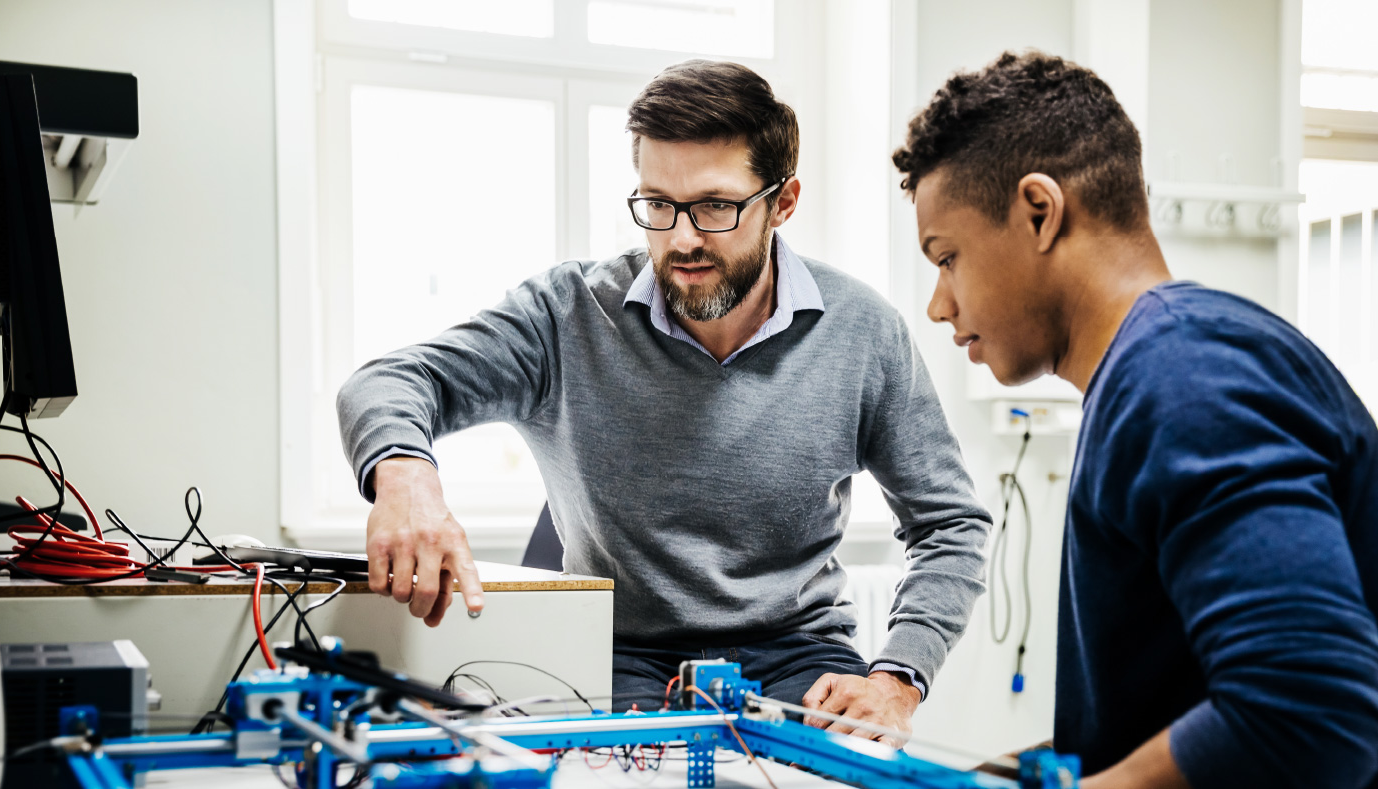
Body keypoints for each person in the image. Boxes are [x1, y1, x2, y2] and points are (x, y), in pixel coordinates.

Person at [337, 59, 992, 738]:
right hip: (616, 655)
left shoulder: (862, 330)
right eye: (657, 204)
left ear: (783, 201)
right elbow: (387, 382)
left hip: (799, 657)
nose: (680, 239)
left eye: (714, 206)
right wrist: (406, 477)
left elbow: (950, 524)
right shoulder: (565, 315)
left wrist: (897, 676)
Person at [893, 50, 1378, 788]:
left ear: (1038, 211)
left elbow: (1306, 708)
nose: (938, 304)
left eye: (946, 256)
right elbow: (1165, 704)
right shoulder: (1154, 369)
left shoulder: (1182, 372)